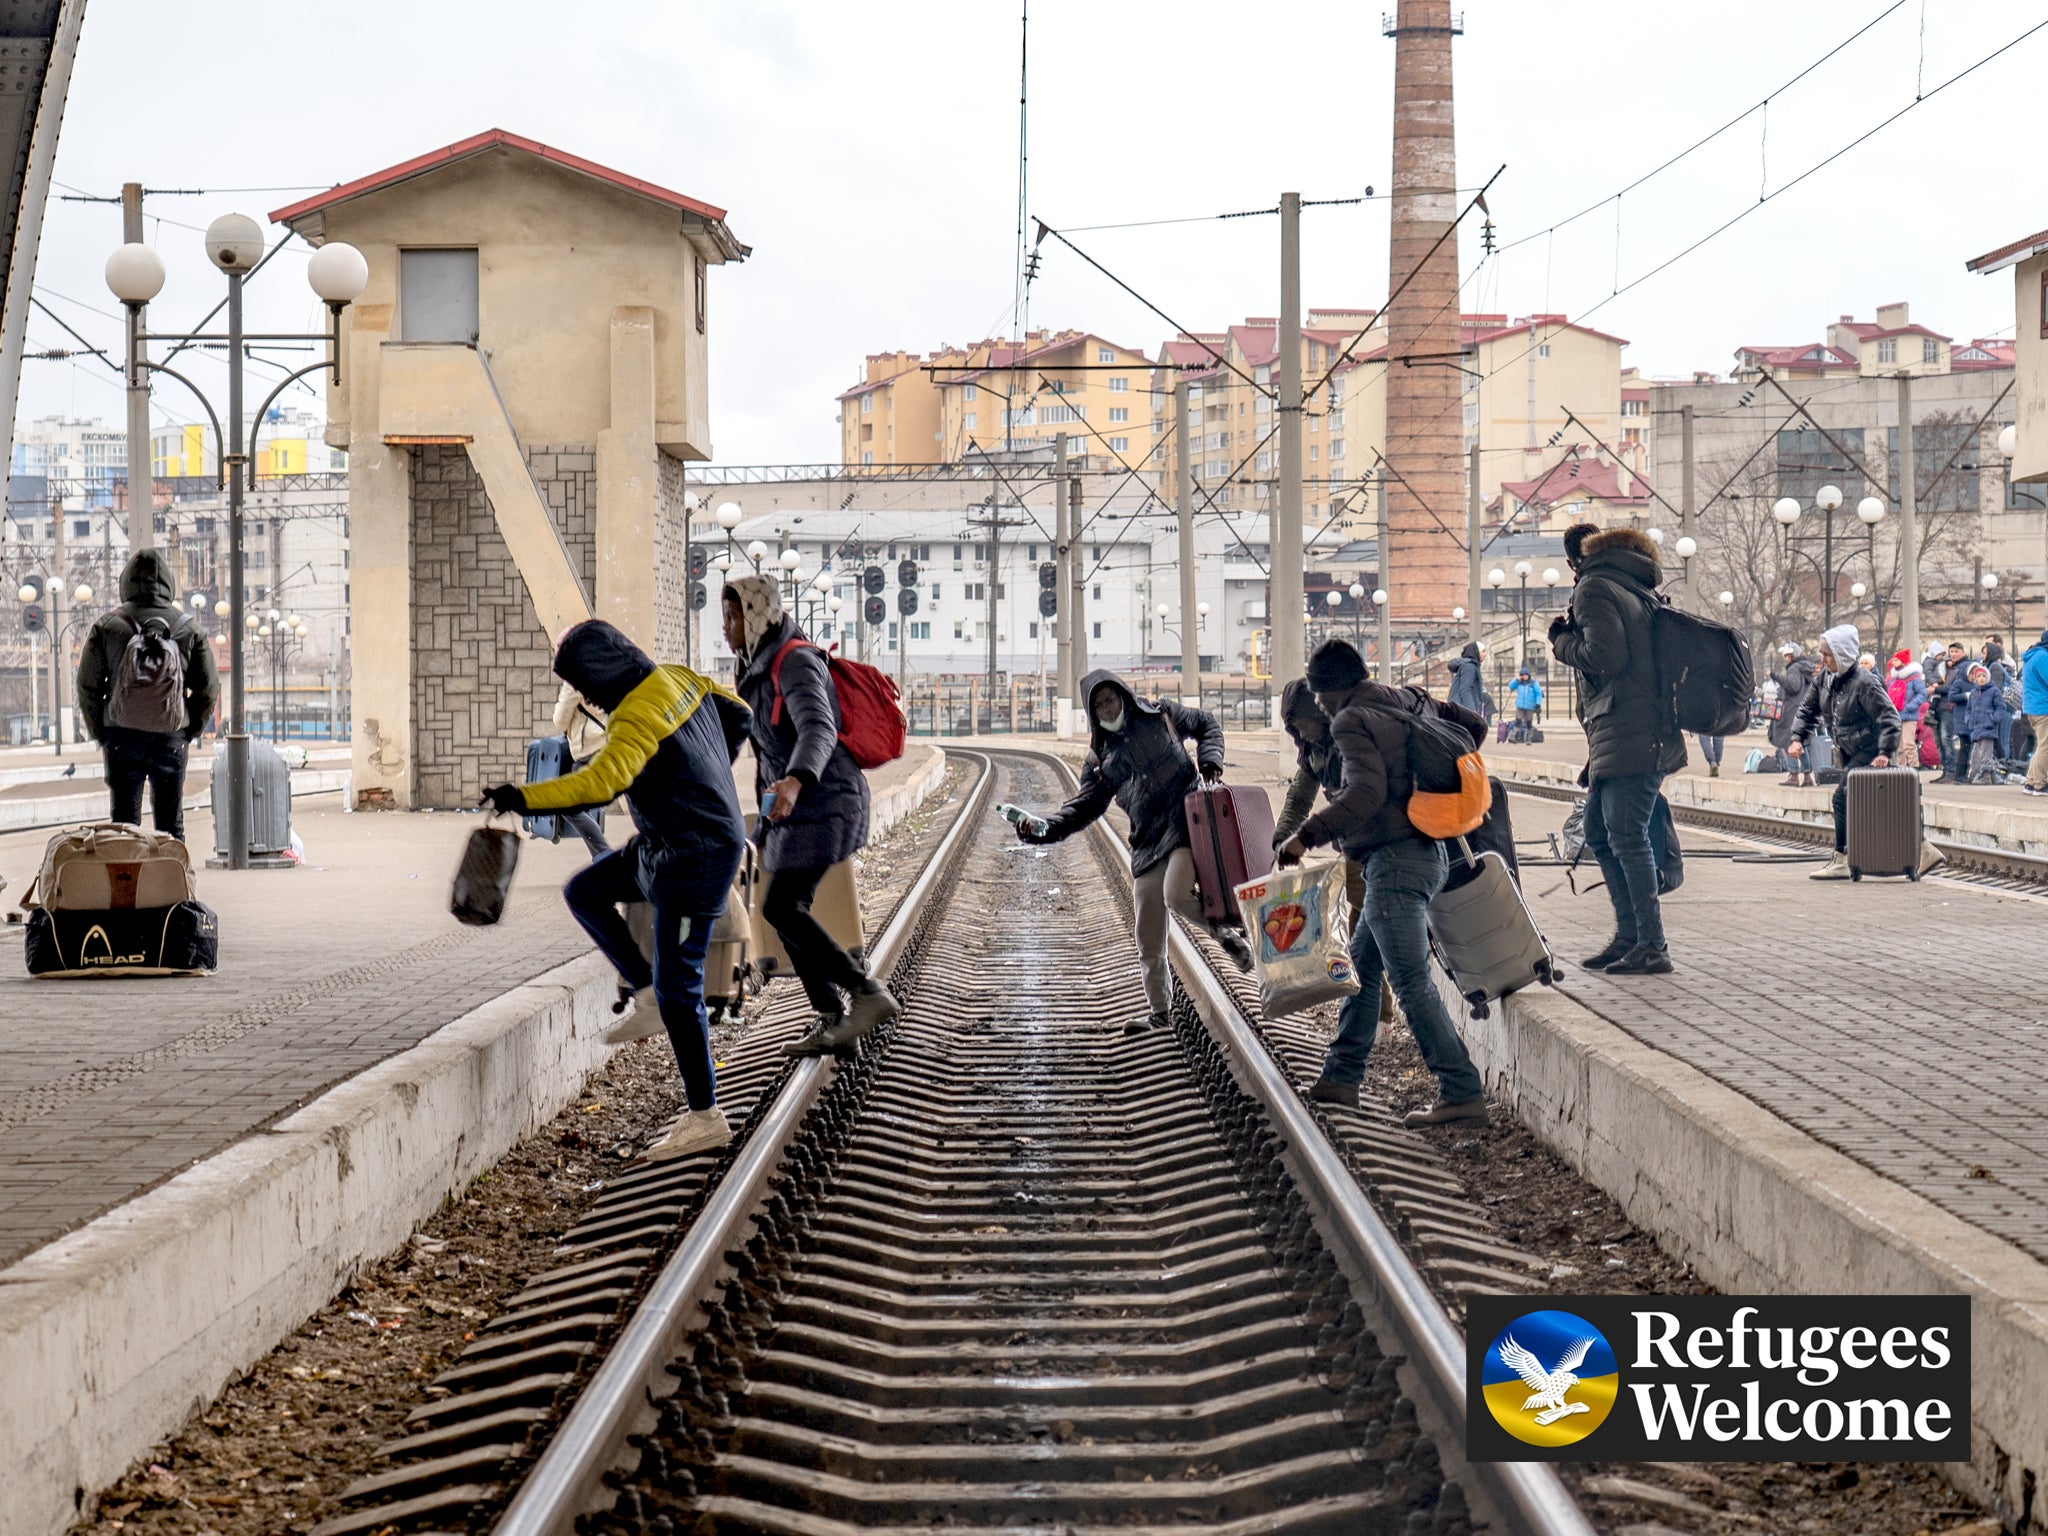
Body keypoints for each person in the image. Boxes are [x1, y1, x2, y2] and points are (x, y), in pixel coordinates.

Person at [482, 620, 751, 1160]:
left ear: (602, 672)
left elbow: (602, 783)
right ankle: (644, 990)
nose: (586, 697)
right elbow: (739, 713)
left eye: (585, 684)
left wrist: (525, 797)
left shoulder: (634, 716)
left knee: (683, 987)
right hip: (665, 843)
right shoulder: (680, 679)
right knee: (586, 889)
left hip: (695, 856)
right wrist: (713, 767)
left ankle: (706, 1117)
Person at [1275, 638, 1489, 1127]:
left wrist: (1306, 837)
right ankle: (1342, 1077)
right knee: (1363, 968)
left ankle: (1460, 1089)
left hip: (1395, 864)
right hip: (1426, 851)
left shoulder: (1350, 719)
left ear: (1329, 689)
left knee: (1411, 982)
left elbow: (1365, 793)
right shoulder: (1404, 697)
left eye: (1319, 693)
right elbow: (1473, 727)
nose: (1321, 705)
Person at [723, 573, 900, 1058]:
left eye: (734, 615)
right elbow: (764, 750)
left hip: (827, 800)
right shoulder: (753, 666)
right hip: (795, 808)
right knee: (783, 909)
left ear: (758, 615)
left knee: (782, 907)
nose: (726, 626)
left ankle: (865, 994)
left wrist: (797, 782)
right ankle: (835, 1019)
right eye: (725, 615)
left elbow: (819, 729)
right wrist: (764, 817)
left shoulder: (794, 660)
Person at [1018, 668, 1250, 1034]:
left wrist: (1210, 762)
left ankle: (1225, 934)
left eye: (1110, 699)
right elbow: (1083, 807)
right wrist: (1042, 830)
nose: (1107, 709)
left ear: (1123, 695)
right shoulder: (1098, 760)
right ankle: (1160, 1013)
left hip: (1186, 822)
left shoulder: (1161, 715)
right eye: (1098, 706)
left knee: (1175, 892)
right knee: (1147, 929)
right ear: (1092, 713)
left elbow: (1207, 724)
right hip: (1146, 839)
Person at [1548, 523, 1687, 975]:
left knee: (1624, 836)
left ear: (1574, 562)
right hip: (1634, 730)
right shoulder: (1635, 586)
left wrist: (1561, 641)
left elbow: (1605, 657)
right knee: (1600, 830)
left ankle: (1652, 943)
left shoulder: (1594, 588)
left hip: (1629, 731)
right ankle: (1630, 937)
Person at [1272, 678, 1400, 1035]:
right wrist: (1284, 838)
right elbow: (1299, 798)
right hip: (1354, 845)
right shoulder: (1313, 753)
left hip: (1382, 839)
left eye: (1301, 724)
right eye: (1292, 728)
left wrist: (1308, 836)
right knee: (1363, 926)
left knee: (1366, 928)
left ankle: (1379, 1016)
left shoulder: (1349, 739)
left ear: (1317, 714)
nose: (1300, 733)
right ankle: (1378, 1015)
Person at [76, 549, 221, 839]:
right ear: (169, 584)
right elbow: (208, 687)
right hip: (170, 737)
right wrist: (187, 729)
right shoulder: (188, 628)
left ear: (126, 583)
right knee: (170, 826)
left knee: (123, 828)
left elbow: (87, 686)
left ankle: (127, 884)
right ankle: (172, 884)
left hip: (121, 737)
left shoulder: (107, 627)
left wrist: (101, 730)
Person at [1789, 623, 1903, 880]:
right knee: (1880, 804)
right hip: (1851, 750)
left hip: (1871, 749)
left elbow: (1890, 718)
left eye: (1827, 654)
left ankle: (1842, 857)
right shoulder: (1825, 679)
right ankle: (1921, 848)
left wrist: (1884, 752)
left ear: (1842, 654)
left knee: (1842, 798)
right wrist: (1798, 737)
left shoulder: (1865, 682)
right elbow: (1808, 709)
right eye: (1821, 652)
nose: (1822, 658)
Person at [550, 678, 613, 859]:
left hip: (592, 752)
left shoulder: (573, 680)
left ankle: (604, 856)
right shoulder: (605, 669)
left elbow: (560, 721)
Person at [1769, 642, 1815, 784]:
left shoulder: (1794, 668)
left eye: (1787, 655)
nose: (1786, 659)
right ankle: (1807, 776)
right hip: (1800, 709)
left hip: (1791, 712)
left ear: (1792, 655)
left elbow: (1793, 686)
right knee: (1801, 743)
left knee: (1788, 741)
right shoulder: (1804, 668)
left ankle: (1793, 775)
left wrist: (1776, 676)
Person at [1959, 663, 2007, 785]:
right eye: (1978, 676)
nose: (1981, 679)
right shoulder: (1974, 693)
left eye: (1983, 676)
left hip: (1988, 728)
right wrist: (1969, 721)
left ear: (1988, 677)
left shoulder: (1994, 691)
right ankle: (1991, 775)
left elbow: (2001, 708)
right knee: (1976, 754)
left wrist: (1993, 719)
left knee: (1986, 753)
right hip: (1976, 728)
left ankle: (1985, 774)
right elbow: (1969, 710)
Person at [1940, 643, 1978, 783]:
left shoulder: (1975, 684)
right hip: (1961, 719)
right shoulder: (1960, 683)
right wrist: (1965, 696)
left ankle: (1965, 774)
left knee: (1969, 748)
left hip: (1971, 720)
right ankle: (1959, 774)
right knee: (1964, 747)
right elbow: (1951, 697)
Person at [1886, 650, 1928, 773]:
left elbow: (1922, 694)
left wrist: (1910, 706)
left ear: (1904, 662)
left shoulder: (1914, 678)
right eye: (1894, 659)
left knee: (1908, 744)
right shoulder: (1893, 678)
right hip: (1896, 715)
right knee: (1899, 747)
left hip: (1909, 716)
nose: (1894, 662)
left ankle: (1914, 767)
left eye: (1897, 659)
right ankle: (1901, 768)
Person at [2023, 629, 2048, 797]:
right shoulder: (2043, 657)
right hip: (2043, 707)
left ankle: (2031, 781)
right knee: (2046, 746)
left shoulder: (2032, 656)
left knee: (2041, 745)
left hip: (2033, 707)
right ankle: (2040, 784)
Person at [1446, 640, 1490, 721]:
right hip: (1462, 710)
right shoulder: (1469, 667)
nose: (1485, 654)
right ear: (1477, 652)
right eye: (1483, 651)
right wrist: (1472, 710)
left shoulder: (1471, 666)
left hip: (1461, 709)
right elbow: (1465, 689)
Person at [1509, 667, 1543, 743]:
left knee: (1528, 723)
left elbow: (1538, 693)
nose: (1524, 676)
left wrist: (1538, 703)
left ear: (1528, 675)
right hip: (1520, 706)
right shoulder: (1519, 683)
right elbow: (1511, 686)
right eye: (1522, 675)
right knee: (1518, 721)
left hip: (1530, 706)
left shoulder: (1533, 683)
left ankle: (1528, 739)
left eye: (1525, 675)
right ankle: (1513, 736)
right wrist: (1516, 679)